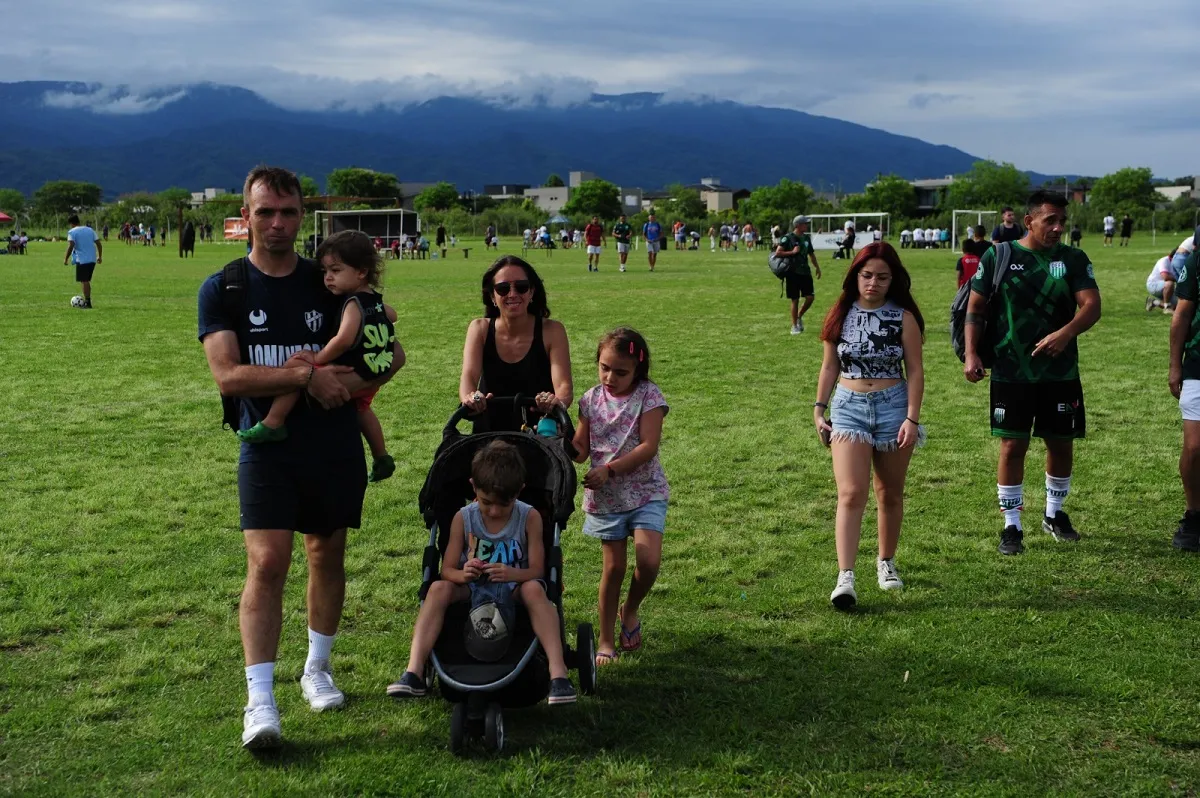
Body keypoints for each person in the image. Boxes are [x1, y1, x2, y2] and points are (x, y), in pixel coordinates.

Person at [197, 166, 403, 749]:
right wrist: (308, 375)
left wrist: (356, 381)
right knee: (266, 564)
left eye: (288, 212)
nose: (278, 223)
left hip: (333, 443)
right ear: (245, 216)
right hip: (266, 444)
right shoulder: (226, 287)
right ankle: (260, 700)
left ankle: (317, 669)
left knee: (326, 555)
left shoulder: (331, 280)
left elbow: (391, 354)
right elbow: (229, 375)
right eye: (265, 212)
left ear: (301, 216)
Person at [963, 190, 1101, 556]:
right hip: (1011, 371)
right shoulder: (1000, 255)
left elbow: (1091, 306)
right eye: (1050, 220)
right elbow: (975, 308)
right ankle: (1012, 525)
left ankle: (1054, 514)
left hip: (1061, 372)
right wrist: (972, 353)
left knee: (1060, 442)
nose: (1057, 228)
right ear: (1029, 221)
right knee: (1013, 445)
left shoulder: (1072, 258)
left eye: (1062, 222)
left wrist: (1065, 332)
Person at [387, 440, 577, 704]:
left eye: (505, 504)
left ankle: (558, 673)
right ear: (473, 487)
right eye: (487, 503)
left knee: (535, 589)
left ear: (519, 492)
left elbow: (537, 570)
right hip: (472, 588)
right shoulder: (464, 518)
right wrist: (463, 573)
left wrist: (512, 573)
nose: (495, 511)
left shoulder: (529, 517)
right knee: (437, 588)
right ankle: (414, 671)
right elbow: (447, 571)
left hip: (515, 589)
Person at [235, 230, 401, 482]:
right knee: (362, 409)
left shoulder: (354, 303)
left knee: (296, 364)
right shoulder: (374, 301)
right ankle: (382, 456)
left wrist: (318, 357)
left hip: (353, 368)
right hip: (374, 366)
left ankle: (273, 422)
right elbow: (393, 315)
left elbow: (343, 340)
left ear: (361, 272)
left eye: (335, 271)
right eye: (325, 272)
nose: (328, 278)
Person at [813, 242, 925, 609]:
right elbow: (830, 366)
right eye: (866, 275)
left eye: (882, 277)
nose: (873, 283)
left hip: (894, 407)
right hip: (848, 408)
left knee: (889, 493)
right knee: (850, 493)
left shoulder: (904, 317)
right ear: (855, 276)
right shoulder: (840, 314)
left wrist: (912, 417)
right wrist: (818, 408)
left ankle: (886, 562)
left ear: (893, 280)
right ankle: (845, 577)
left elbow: (916, 370)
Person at [571, 328, 669, 665]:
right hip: (607, 497)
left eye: (621, 372)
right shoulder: (589, 400)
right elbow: (581, 451)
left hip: (645, 491)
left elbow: (648, 446)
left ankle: (630, 609)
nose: (610, 377)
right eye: (604, 368)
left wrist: (609, 469)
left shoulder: (649, 396)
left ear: (638, 370)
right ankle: (606, 640)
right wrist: (560, 438)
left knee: (648, 561)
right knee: (613, 569)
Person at [460, 255, 573, 432]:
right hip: (489, 429)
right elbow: (469, 376)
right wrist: (471, 398)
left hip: (540, 429)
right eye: (503, 288)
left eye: (521, 287)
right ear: (492, 296)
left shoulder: (552, 330)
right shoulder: (479, 329)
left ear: (532, 292)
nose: (512, 294)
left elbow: (563, 387)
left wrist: (555, 401)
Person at [1168, 243, 1200, 550]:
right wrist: (1175, 365)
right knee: (1195, 447)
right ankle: (1194, 515)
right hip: (1198, 363)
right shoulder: (1197, 258)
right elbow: (1182, 314)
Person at [776, 214, 823, 334]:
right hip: (792, 272)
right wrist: (792, 252)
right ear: (798, 225)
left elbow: (811, 254)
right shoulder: (787, 238)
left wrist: (817, 267)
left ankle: (799, 316)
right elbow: (778, 253)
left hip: (805, 272)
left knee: (810, 297)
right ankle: (794, 326)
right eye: (804, 224)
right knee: (795, 299)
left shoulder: (806, 238)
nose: (806, 225)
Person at [64, 214, 102, 309]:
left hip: (82, 259)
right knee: (85, 280)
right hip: (92, 259)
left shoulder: (72, 232)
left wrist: (66, 258)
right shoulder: (90, 230)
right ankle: (87, 301)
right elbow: (98, 243)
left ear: (71, 224)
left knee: (84, 281)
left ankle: (87, 302)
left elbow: (71, 245)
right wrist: (99, 256)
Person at [1146, 249, 1181, 314]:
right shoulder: (1164, 261)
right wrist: (1180, 279)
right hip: (1153, 285)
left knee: (1178, 306)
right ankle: (1167, 307)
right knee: (1170, 283)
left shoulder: (1176, 263)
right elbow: (1165, 277)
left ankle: (1154, 302)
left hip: (1166, 287)